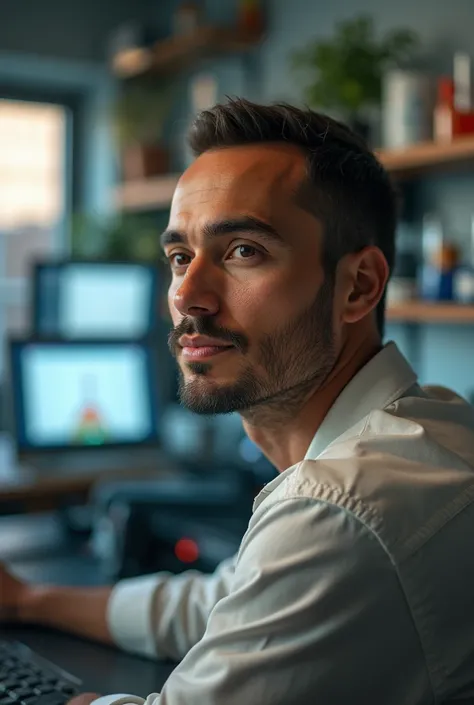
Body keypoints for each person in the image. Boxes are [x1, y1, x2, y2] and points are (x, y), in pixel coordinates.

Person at [2, 98, 474, 705]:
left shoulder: (342, 508)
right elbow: (222, 601)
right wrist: (27, 599)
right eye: (180, 257)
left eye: (243, 250)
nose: (188, 295)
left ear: (358, 286)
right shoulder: (433, 419)